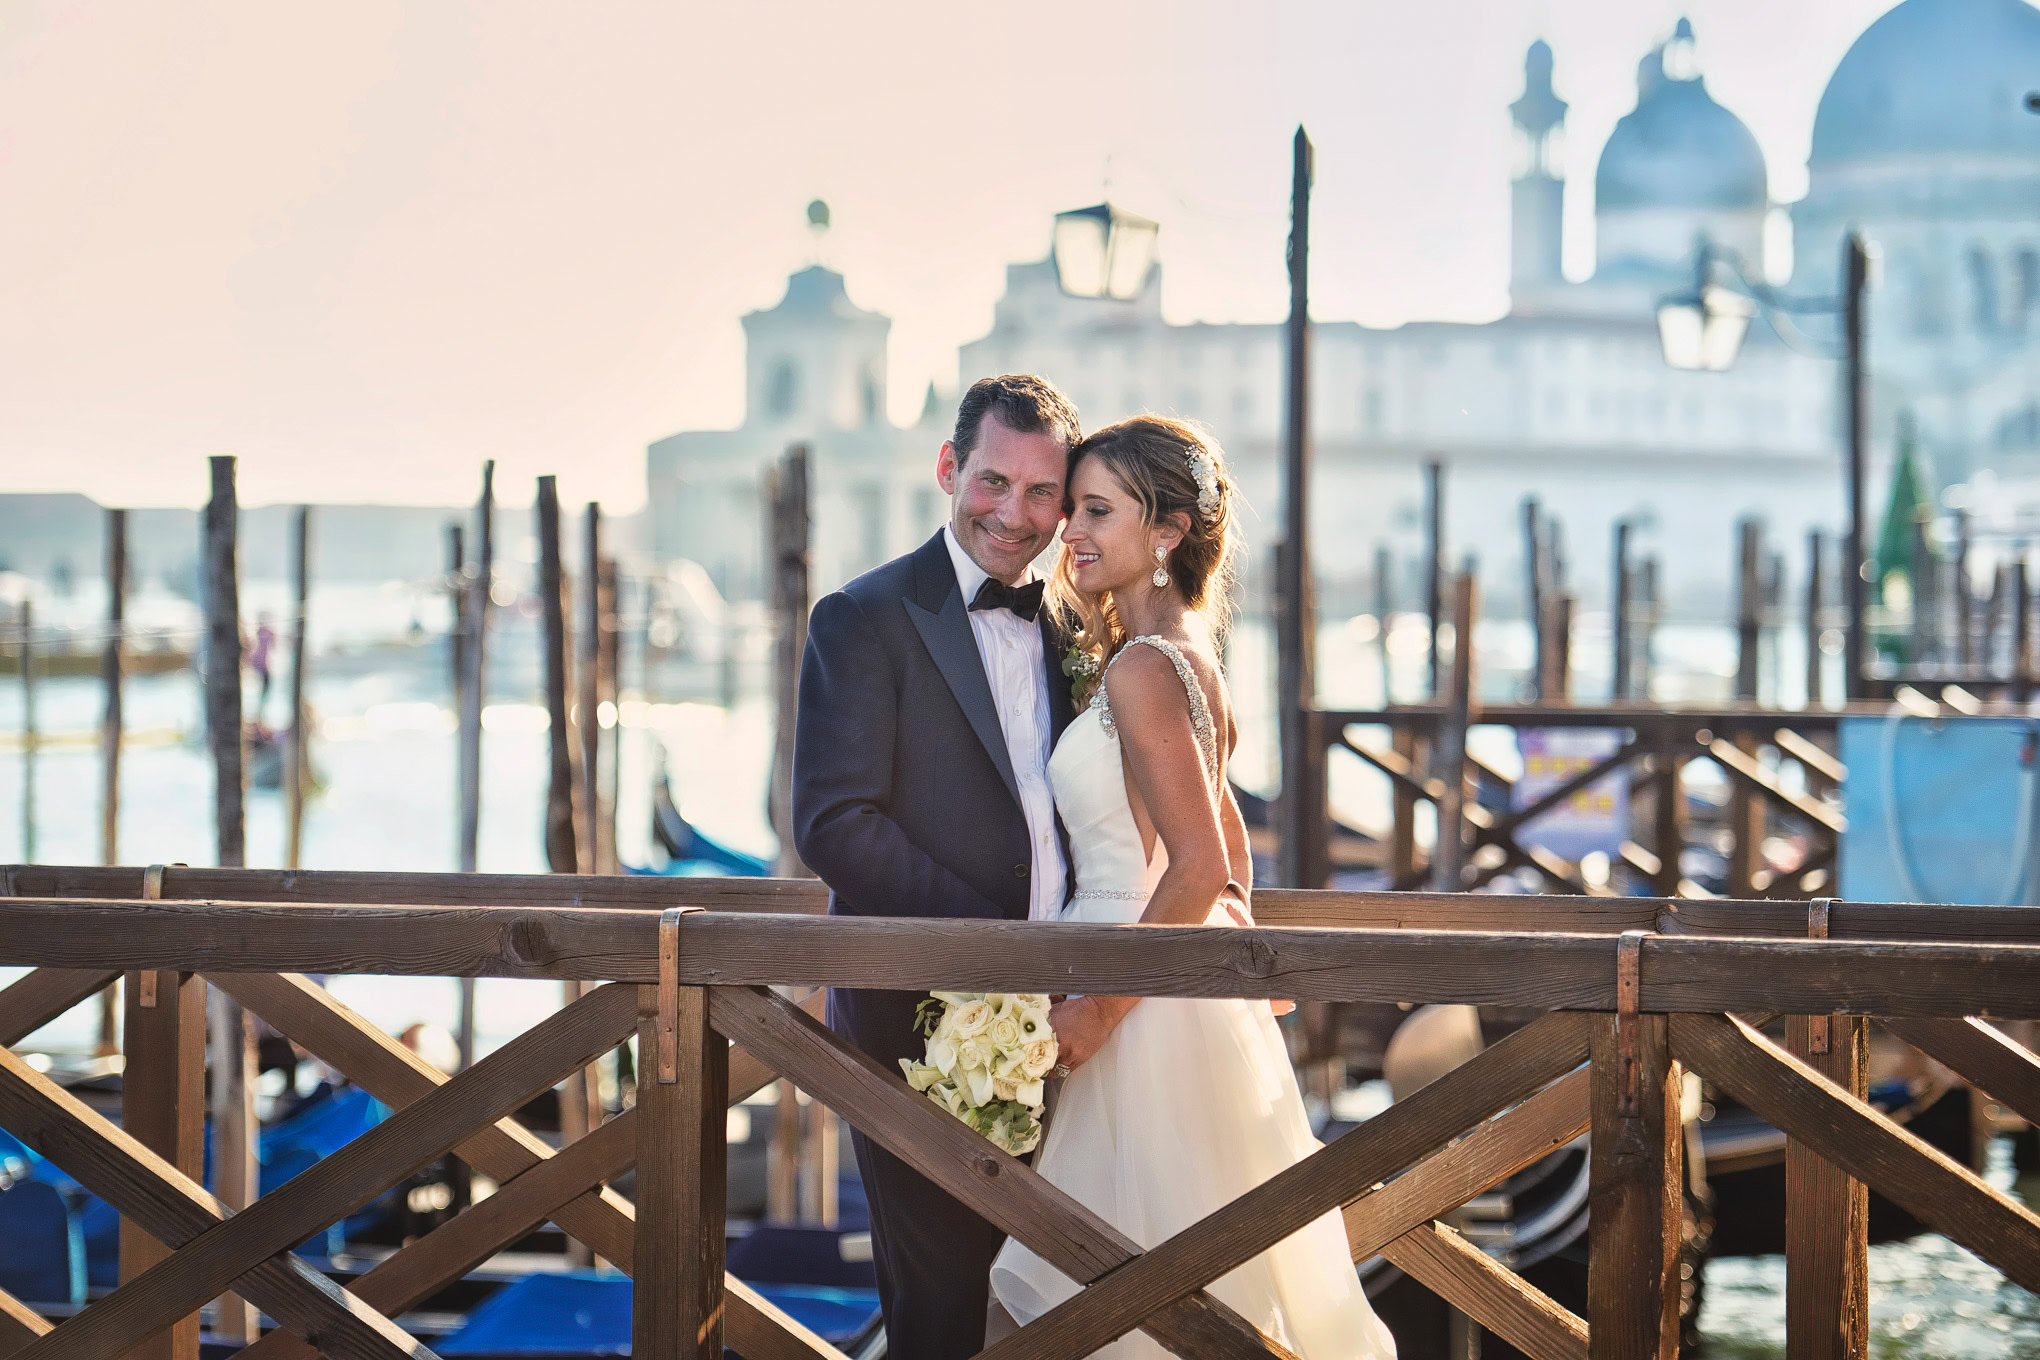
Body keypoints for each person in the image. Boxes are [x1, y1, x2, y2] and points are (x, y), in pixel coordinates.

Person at [989, 416, 1396, 1358]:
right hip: (1172, 990)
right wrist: (1240, 947)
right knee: (1180, 1289)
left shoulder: (1140, 668)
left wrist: (1092, 1015)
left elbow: (1203, 861)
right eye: (1072, 507)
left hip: (1135, 1004)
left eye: (1097, 511)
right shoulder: (1185, 657)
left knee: (1112, 1300)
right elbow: (1228, 845)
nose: (1069, 532)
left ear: (1167, 532)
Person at [792, 373, 1082, 1359]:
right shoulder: (862, 617)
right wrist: (989, 949)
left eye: (1044, 494)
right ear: (950, 468)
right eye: (995, 481)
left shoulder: (1074, 631)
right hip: (916, 1029)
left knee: (1052, 1305)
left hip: (1072, 1029)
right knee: (944, 1312)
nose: (1016, 514)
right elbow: (834, 824)